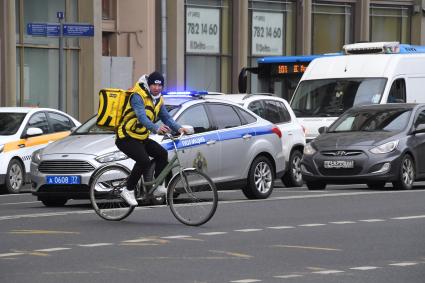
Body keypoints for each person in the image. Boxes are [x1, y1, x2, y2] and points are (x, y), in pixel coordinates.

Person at [115, 71, 188, 206]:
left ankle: (159, 186)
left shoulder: (158, 99)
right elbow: (141, 116)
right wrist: (156, 128)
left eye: (160, 85)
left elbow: (166, 117)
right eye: (154, 84)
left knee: (162, 153)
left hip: (141, 137)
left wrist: (179, 128)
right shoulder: (138, 96)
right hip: (125, 136)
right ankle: (128, 189)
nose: (157, 88)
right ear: (149, 85)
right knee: (143, 161)